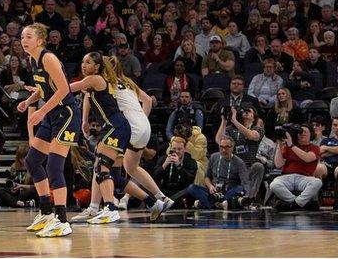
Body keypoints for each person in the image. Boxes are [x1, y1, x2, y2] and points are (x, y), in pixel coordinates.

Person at [69, 52, 172, 225]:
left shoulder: (101, 81)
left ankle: (107, 207)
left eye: (88, 62)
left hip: (122, 125)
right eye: (83, 61)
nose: (83, 65)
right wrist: (142, 120)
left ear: (100, 66)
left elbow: (80, 93)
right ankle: (155, 201)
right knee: (118, 172)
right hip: (142, 125)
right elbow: (147, 100)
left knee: (102, 165)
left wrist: (85, 121)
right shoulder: (127, 82)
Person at [16, 23, 79, 237]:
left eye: (29, 36)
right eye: (22, 36)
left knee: (54, 166)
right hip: (52, 114)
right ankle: (45, 212)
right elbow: (45, 88)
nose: (24, 40)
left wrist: (41, 110)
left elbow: (64, 89)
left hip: (66, 114)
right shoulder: (33, 59)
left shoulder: (48, 58)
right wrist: (30, 101)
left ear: (40, 40)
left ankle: (62, 220)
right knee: (32, 161)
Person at [269, 124, 322, 211]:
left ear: (310, 135)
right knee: (274, 184)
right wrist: (279, 145)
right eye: (300, 132)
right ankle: (300, 203)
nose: (302, 133)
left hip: (304, 178)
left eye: (305, 132)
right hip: (287, 177)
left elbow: (307, 158)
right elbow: (278, 164)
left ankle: (292, 205)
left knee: (317, 182)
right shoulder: (288, 147)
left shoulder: (314, 147)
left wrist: (291, 146)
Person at [188, 136, 250, 209]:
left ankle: (208, 203)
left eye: (227, 147)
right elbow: (207, 177)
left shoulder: (239, 162)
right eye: (221, 147)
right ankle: (219, 204)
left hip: (228, 191)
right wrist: (210, 186)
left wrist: (247, 195)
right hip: (213, 191)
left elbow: (245, 183)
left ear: (232, 148)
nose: (223, 150)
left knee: (239, 188)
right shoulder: (214, 157)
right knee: (192, 188)